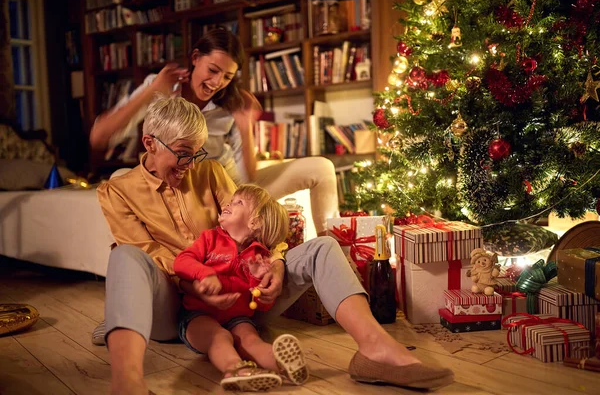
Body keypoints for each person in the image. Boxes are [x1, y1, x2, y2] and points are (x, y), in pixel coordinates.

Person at [96, 59, 453, 395]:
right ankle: (127, 382)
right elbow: (149, 255)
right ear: (149, 144)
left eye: (198, 153)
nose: (191, 164)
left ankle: (375, 351)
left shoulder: (210, 172)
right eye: (183, 153)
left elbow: (255, 219)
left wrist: (278, 264)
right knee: (126, 256)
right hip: (178, 307)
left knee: (322, 247)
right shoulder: (116, 192)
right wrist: (199, 280)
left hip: (242, 300)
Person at [90, 28, 337, 237]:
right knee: (119, 176)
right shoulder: (161, 87)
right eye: (213, 70)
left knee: (322, 168)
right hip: (182, 190)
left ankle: (336, 249)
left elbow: (248, 178)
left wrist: (244, 125)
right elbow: (100, 137)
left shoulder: (231, 103)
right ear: (195, 57)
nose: (218, 82)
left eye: (227, 76)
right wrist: (150, 90)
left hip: (230, 192)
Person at [173, 184, 309, 391]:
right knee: (219, 337)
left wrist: (258, 282)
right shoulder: (210, 239)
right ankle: (235, 369)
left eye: (238, 202)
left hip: (238, 318)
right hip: (197, 315)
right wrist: (205, 273)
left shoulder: (261, 258)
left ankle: (282, 363)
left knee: (250, 338)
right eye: (232, 200)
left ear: (255, 222)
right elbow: (181, 262)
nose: (228, 203)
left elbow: (261, 306)